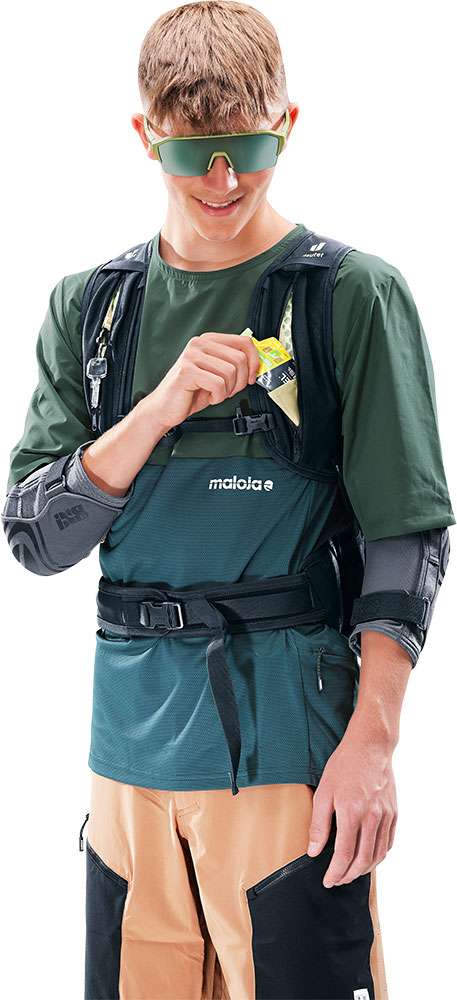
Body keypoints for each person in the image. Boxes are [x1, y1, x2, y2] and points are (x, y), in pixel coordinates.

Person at [2, 2, 455, 998]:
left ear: (286, 125)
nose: (222, 181)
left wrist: (374, 744)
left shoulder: (350, 294)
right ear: (146, 135)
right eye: (192, 154)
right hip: (126, 770)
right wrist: (158, 407)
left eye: (246, 149)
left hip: (284, 757)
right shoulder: (93, 309)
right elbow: (36, 539)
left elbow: (407, 535)